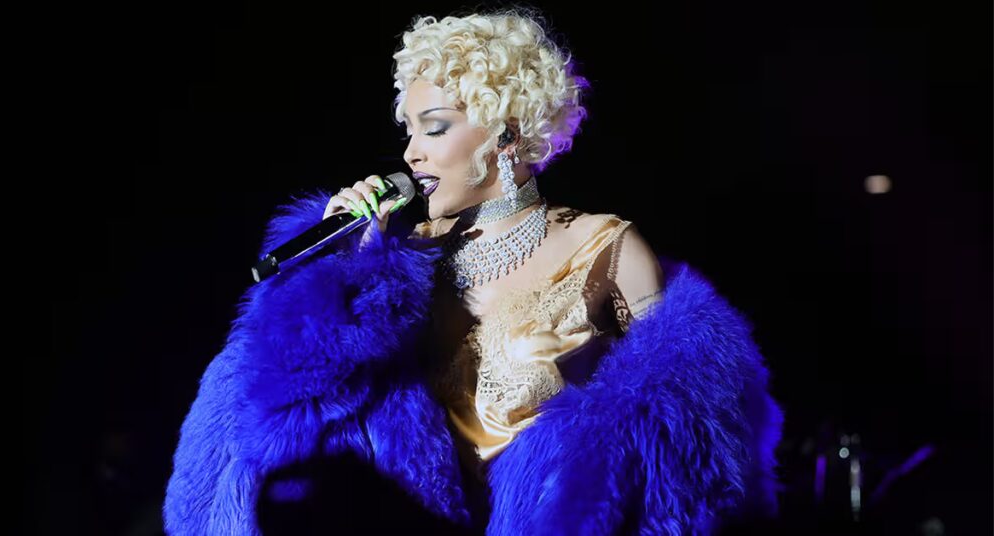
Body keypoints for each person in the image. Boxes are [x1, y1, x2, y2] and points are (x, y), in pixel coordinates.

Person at [163, 8, 785, 535]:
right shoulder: (398, 261)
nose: (411, 152)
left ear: (506, 135)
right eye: (408, 131)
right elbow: (295, 421)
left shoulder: (604, 248)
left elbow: (684, 439)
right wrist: (343, 273)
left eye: (434, 128)